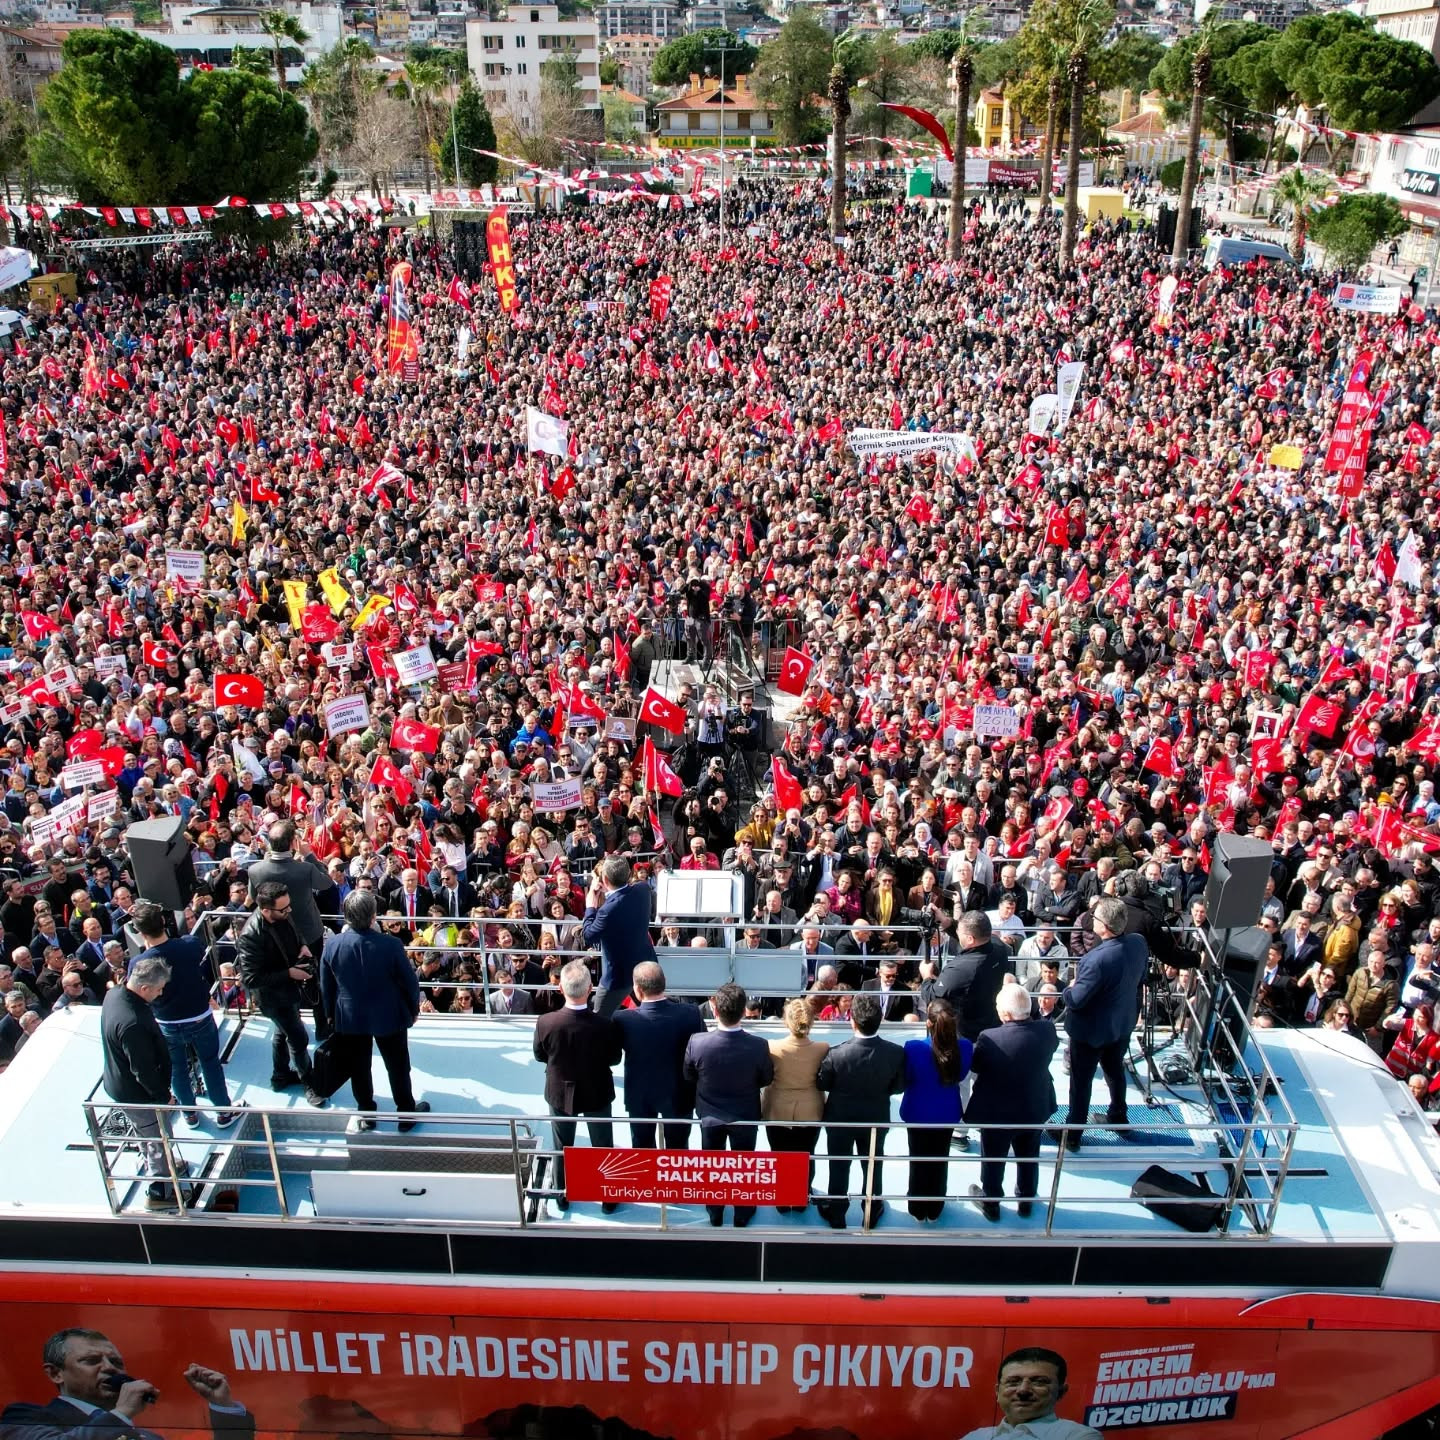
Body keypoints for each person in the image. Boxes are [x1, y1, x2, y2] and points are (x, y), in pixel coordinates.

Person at [0, 1327, 255, 1440]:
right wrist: (121, 1413)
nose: (109, 1368)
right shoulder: (25, 1418)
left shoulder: (147, 1437)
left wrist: (223, 1406)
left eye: (116, 1362)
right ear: (56, 1374)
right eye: (91, 1361)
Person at [319, 890, 428, 1133]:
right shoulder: (391, 944)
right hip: (390, 1015)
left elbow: (326, 984)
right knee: (398, 1066)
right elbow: (409, 982)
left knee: (358, 1067)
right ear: (373, 917)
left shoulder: (333, 944)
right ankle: (406, 1113)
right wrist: (412, 1009)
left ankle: (367, 1113)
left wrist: (330, 1014)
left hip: (349, 1017)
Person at [131, 901, 240, 1129]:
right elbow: (195, 948)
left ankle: (189, 1114)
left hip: (167, 1024)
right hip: (199, 1018)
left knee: (177, 1069)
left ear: (140, 932)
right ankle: (223, 1111)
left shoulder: (138, 963)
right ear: (163, 922)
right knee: (210, 1063)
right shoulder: (189, 945)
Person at [1055, 896, 1147, 1150]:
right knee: (1115, 1070)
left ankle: (1073, 1134)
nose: (1091, 920)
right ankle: (1118, 1116)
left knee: (1081, 1082)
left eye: (1094, 917)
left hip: (1090, 1032)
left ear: (1104, 927)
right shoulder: (1139, 943)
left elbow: (1076, 1000)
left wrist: (1068, 989)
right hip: (1121, 1024)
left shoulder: (1095, 960)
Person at [532, 959, 622, 1214]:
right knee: (603, 1145)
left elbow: (540, 1055)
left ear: (560, 988)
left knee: (562, 1147)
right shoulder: (605, 1025)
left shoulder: (545, 1022)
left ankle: (562, 1194)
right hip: (597, 1091)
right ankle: (608, 1198)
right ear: (590, 989)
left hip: (560, 1093)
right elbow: (615, 1058)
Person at [99, 955, 189, 1210]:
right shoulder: (133, 1023)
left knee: (146, 1134)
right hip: (138, 1095)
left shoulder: (114, 995)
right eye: (158, 989)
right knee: (157, 1136)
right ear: (145, 987)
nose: (160, 994)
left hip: (122, 1085)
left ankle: (162, 1164)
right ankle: (159, 1191)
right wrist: (163, 1097)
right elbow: (143, 1070)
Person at [683, 982, 774, 1227]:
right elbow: (766, 1078)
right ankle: (742, 1213)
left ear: (715, 1010)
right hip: (745, 1116)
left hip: (709, 1117)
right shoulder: (759, 1045)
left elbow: (689, 1075)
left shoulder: (697, 1042)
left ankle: (715, 1212)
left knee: (712, 1166)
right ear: (744, 1011)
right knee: (744, 1166)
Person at [966, 982, 1060, 1222]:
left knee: (993, 1158)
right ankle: (1026, 1200)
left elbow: (976, 1065)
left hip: (998, 1113)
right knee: (1029, 1155)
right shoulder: (1047, 1031)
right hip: (1034, 1107)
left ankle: (991, 1202)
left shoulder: (989, 1037)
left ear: (1006, 1014)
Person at [816, 991, 906, 1229]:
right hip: (875, 1119)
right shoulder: (896, 1053)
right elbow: (898, 1086)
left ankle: (837, 1213)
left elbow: (822, 1083)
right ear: (880, 1020)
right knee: (873, 1165)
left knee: (838, 1166)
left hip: (840, 1120)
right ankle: (871, 1211)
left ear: (852, 1022)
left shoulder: (836, 1053)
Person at [235, 881, 325, 1107]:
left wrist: (302, 945)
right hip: (274, 998)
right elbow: (250, 978)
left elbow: (294, 931)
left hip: (288, 990)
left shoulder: (281, 914)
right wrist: (289, 973)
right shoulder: (251, 936)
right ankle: (309, 1082)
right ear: (266, 910)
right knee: (298, 1038)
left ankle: (280, 1075)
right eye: (284, 909)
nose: (289, 911)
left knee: (281, 1033)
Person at [612, 960, 705, 1149]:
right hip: (679, 1094)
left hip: (640, 1096)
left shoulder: (622, 1019)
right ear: (664, 982)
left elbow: (614, 1057)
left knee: (643, 1152)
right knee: (678, 1153)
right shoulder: (691, 1013)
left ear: (637, 990)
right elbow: (701, 1052)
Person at [900, 1000, 969, 1222]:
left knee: (918, 1160)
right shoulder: (965, 1047)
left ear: (928, 1023)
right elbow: (961, 1075)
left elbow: (907, 1077)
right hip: (946, 1113)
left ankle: (917, 1207)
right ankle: (935, 1206)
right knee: (940, 1159)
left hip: (917, 1113)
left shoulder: (913, 1048)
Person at [762, 996, 829, 1212]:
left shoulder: (771, 1047)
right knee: (806, 1154)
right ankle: (801, 1198)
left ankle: (782, 1200)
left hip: (777, 1110)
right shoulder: (822, 1048)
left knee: (779, 1154)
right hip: (810, 1111)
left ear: (786, 1021)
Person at [958, 1347, 1102, 1440]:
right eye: (1013, 1381)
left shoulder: (1078, 1436)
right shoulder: (975, 1437)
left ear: (1061, 1392)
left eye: (1039, 1382)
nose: (1023, 1390)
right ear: (997, 1391)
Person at [583, 856, 656, 1019]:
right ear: (629, 874)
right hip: (646, 967)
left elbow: (588, 935)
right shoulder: (643, 889)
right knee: (653, 1013)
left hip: (617, 978)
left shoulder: (607, 910)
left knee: (599, 1019)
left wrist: (590, 906)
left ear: (604, 880)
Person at [861, 955, 914, 1022]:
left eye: (894, 975)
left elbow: (907, 1015)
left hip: (892, 1026)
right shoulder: (867, 986)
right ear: (880, 973)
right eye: (888, 976)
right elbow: (861, 1008)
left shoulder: (904, 990)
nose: (891, 978)